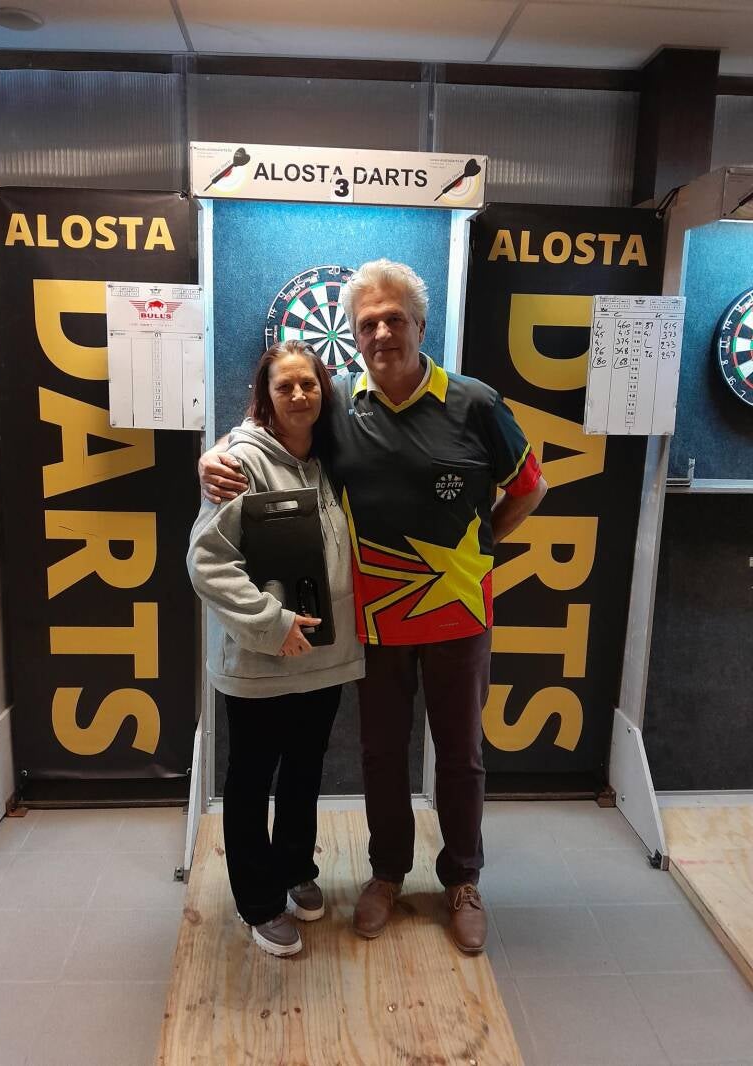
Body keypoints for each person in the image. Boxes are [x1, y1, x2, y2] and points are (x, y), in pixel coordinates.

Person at [199, 260, 547, 954]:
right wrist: (209, 459)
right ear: (355, 337)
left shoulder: (476, 402)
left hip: (459, 615)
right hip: (376, 622)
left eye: (394, 319)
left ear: (421, 325)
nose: (382, 333)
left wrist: (478, 549)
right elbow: (275, 426)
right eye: (368, 324)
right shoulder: (340, 409)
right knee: (381, 754)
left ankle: (463, 879)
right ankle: (387, 873)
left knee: (461, 755)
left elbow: (531, 488)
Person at [187, 339, 364, 958]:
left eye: (308, 384)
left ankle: (293, 868)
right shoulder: (239, 463)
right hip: (261, 661)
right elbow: (208, 563)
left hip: (323, 657)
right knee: (251, 776)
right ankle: (258, 902)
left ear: (325, 390)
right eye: (284, 385)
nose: (298, 395)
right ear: (264, 396)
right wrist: (272, 624)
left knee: (305, 770)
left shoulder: (335, 457)